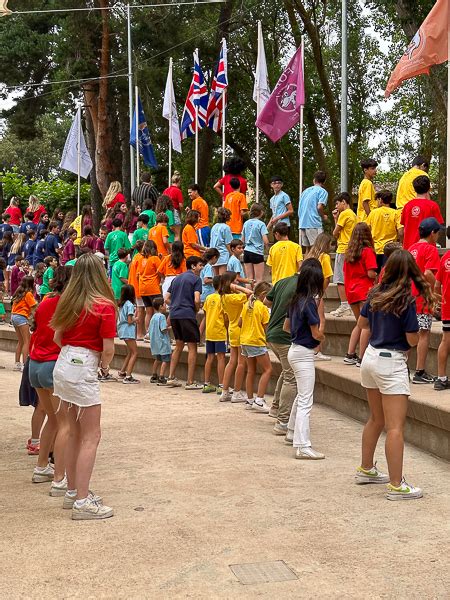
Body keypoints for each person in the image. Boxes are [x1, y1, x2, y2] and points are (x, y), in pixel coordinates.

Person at [357, 249, 433, 500]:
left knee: (375, 419)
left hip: (370, 357)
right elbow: (412, 339)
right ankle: (396, 484)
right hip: (391, 362)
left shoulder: (375, 293)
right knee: (395, 428)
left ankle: (366, 468)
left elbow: (362, 325)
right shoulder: (406, 300)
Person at [51, 253, 116, 520]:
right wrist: (103, 366)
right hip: (84, 364)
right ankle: (81, 500)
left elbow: (57, 337)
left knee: (74, 430)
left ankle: (73, 489)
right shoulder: (104, 306)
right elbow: (109, 349)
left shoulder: (67, 303)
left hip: (64, 363)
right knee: (91, 435)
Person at [29, 266, 72, 495]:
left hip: (35, 365)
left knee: (52, 420)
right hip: (51, 364)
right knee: (65, 423)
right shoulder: (66, 304)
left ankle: (41, 467)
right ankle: (59, 478)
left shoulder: (45, 301)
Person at [284, 258, 325, 459]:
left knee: (302, 396)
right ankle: (302, 445)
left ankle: (292, 432)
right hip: (303, 353)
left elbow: (286, 327)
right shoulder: (308, 302)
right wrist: (322, 336)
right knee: (306, 400)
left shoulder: (295, 300)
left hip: (294, 349)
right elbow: (316, 333)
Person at [265, 270, 299, 435]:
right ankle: (283, 421)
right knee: (291, 378)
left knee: (287, 372)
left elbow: (266, 301)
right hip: (283, 337)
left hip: (271, 334)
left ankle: (276, 407)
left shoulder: (281, 282)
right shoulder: (302, 286)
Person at [408, 217, 441, 384]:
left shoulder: (411, 248)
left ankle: (405, 368)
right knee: (424, 333)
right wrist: (437, 289)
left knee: (409, 331)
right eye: (437, 233)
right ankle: (420, 371)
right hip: (422, 297)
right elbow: (428, 273)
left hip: (408, 295)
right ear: (432, 233)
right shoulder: (430, 249)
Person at [166, 256, 204, 389]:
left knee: (178, 345)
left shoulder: (176, 278)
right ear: (193, 266)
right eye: (200, 265)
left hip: (175, 314)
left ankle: (170, 377)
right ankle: (190, 381)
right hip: (187, 314)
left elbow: (166, 298)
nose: (202, 268)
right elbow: (197, 299)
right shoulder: (196, 279)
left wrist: (176, 305)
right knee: (192, 347)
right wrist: (195, 309)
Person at [343, 223, 378, 365]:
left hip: (351, 291)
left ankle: (350, 353)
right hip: (364, 290)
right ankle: (362, 357)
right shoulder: (367, 251)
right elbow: (370, 273)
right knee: (367, 325)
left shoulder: (348, 253)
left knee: (359, 323)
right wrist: (378, 275)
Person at [219, 272, 252, 403]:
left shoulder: (223, 297)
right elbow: (249, 293)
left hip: (232, 329)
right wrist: (236, 287)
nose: (238, 283)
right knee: (241, 362)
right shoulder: (233, 297)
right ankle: (237, 392)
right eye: (235, 281)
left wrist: (233, 286)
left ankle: (225, 391)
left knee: (232, 361)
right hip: (239, 329)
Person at [240, 281, 272, 412]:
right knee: (268, 369)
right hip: (256, 341)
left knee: (251, 370)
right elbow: (266, 327)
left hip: (244, 341)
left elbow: (239, 323)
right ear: (264, 294)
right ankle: (259, 400)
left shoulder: (247, 304)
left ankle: (250, 399)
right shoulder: (262, 308)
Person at [306, 232, 334, 360]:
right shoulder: (325, 257)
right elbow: (327, 277)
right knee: (320, 319)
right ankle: (316, 350)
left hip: (306, 290)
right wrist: (321, 292)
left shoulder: (309, 255)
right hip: (317, 291)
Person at [330, 192, 358, 317]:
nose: (336, 207)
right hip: (352, 248)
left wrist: (336, 218)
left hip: (342, 249)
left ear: (343, 202)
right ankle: (351, 305)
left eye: (337, 203)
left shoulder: (344, 214)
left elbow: (335, 233)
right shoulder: (353, 214)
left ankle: (344, 305)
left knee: (340, 279)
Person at [401, 175, 444, 249]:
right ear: (428, 188)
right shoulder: (432, 206)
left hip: (409, 248)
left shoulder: (407, 206)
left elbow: (403, 227)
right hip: (427, 248)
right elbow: (438, 228)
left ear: (414, 189)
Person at [366, 190, 403, 270]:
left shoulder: (373, 213)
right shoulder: (396, 213)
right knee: (388, 274)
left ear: (380, 200)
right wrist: (400, 242)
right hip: (390, 251)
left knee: (375, 275)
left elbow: (367, 231)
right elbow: (401, 232)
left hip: (376, 249)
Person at [202, 276, 227, 393]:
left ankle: (206, 383)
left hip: (210, 331)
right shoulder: (223, 298)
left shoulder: (208, 297)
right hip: (220, 331)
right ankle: (221, 385)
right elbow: (225, 317)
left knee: (210, 357)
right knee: (221, 357)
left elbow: (206, 314)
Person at [434, 227, 450, 391]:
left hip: (447, 309)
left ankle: (441, 378)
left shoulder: (445, 258)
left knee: (445, 341)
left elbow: (437, 285)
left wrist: (439, 303)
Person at [11, 275, 37, 371]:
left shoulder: (18, 292)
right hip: (21, 317)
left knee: (21, 341)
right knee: (27, 341)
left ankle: (17, 364)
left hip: (14, 316)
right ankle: (25, 365)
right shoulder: (28, 294)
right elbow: (34, 307)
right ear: (31, 283)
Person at [298, 170, 328, 251]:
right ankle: (315, 264)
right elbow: (319, 207)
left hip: (302, 223)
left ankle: (306, 263)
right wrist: (323, 216)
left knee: (308, 250)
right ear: (324, 181)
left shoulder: (305, 191)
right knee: (317, 249)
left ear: (314, 180)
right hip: (314, 223)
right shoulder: (322, 191)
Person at [117, 284, 139, 384]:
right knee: (135, 352)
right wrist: (136, 319)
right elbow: (130, 320)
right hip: (128, 330)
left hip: (122, 329)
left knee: (130, 352)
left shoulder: (122, 304)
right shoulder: (130, 304)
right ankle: (128, 376)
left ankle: (122, 371)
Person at [137, 240, 162, 330]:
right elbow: (160, 270)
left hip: (143, 289)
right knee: (158, 311)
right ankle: (156, 331)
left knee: (148, 312)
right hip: (153, 287)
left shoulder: (141, 259)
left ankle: (148, 333)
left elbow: (138, 274)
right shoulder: (155, 259)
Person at [242, 203, 269, 283]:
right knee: (259, 280)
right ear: (261, 212)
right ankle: (257, 295)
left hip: (247, 252)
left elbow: (242, 239)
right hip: (257, 252)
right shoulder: (261, 224)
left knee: (249, 279)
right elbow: (266, 241)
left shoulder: (246, 223)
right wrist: (267, 249)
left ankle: (248, 294)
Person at [149, 297, 172, 386]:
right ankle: (162, 376)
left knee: (157, 359)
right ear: (160, 306)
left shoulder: (153, 317)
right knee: (165, 360)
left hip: (155, 342)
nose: (165, 306)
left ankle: (154, 375)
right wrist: (170, 328)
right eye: (164, 305)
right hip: (162, 342)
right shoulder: (162, 317)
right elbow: (163, 329)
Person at [127, 240, 145, 339]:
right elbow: (139, 274)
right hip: (138, 287)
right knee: (140, 310)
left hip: (132, 285)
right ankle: (139, 333)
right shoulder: (141, 258)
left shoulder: (135, 257)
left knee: (138, 309)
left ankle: (134, 332)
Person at [210, 207, 233, 275]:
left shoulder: (214, 227)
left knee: (216, 279)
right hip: (223, 255)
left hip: (214, 254)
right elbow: (228, 243)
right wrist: (233, 254)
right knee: (223, 279)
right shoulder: (226, 227)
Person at [163, 171, 184, 241]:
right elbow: (180, 205)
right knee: (177, 234)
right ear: (179, 181)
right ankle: (176, 250)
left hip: (165, 213)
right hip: (174, 212)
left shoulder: (166, 190)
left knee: (167, 232)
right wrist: (181, 212)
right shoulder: (178, 191)